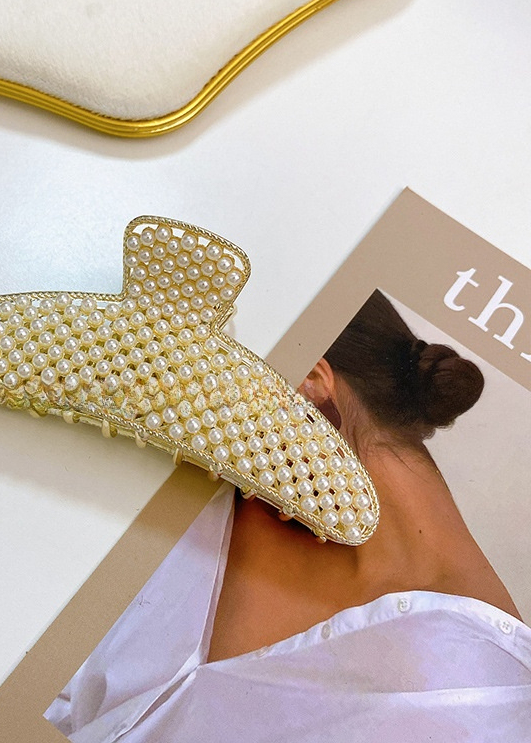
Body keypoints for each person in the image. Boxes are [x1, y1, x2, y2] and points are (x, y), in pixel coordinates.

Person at [45, 290, 531, 742]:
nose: (187, 421)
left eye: (205, 393)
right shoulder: (221, 491)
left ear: (308, 382)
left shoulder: (485, 703)